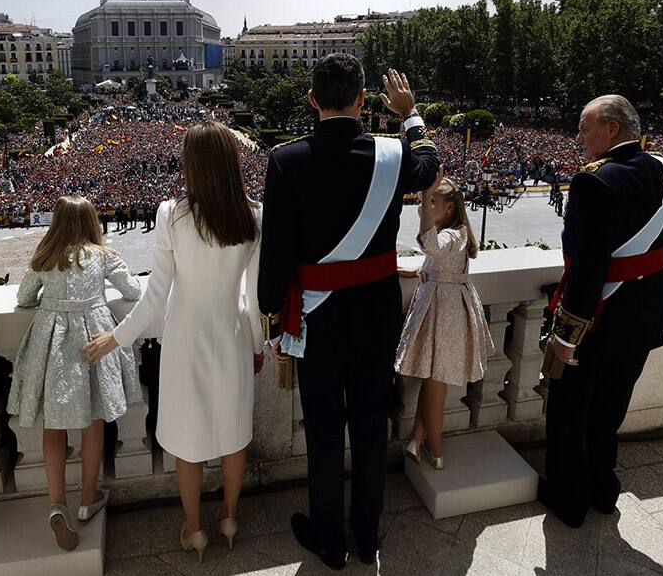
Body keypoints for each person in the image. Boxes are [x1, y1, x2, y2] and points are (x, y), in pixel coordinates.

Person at [258, 57, 440, 570]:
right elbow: (429, 165)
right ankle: (367, 533)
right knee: (368, 424)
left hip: (316, 319)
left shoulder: (286, 160)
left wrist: (274, 318)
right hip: (377, 311)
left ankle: (329, 539)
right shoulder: (391, 153)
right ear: (363, 99)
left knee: (322, 430)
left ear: (313, 100)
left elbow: (275, 253)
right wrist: (410, 115)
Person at [83, 121, 263, 563]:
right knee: (233, 435)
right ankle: (229, 516)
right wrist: (258, 346)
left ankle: (194, 527)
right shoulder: (255, 214)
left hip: (185, 338)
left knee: (189, 440)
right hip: (235, 333)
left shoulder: (172, 214)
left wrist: (117, 337)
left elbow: (154, 297)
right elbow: (255, 297)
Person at [540, 95, 663, 528]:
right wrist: (659, 289)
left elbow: (587, 267)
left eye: (584, 126)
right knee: (611, 409)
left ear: (612, 129)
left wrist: (566, 333)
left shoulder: (594, 181)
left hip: (596, 318)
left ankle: (569, 499)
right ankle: (602, 489)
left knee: (572, 410)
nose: (578, 137)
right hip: (642, 315)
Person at [7, 195, 142, 550]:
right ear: (92, 222)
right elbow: (133, 290)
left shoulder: (44, 257)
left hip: (51, 345)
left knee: (54, 425)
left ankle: (57, 505)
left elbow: (23, 298)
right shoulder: (102, 256)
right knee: (93, 421)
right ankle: (87, 498)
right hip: (92, 342)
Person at [396, 172, 492, 470]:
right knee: (433, 380)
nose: (424, 206)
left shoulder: (455, 233)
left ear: (449, 208)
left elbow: (431, 246)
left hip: (445, 314)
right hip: (441, 308)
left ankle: (434, 450)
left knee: (435, 383)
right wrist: (421, 271)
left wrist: (423, 196)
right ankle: (417, 436)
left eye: (432, 202)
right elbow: (433, 257)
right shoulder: (455, 230)